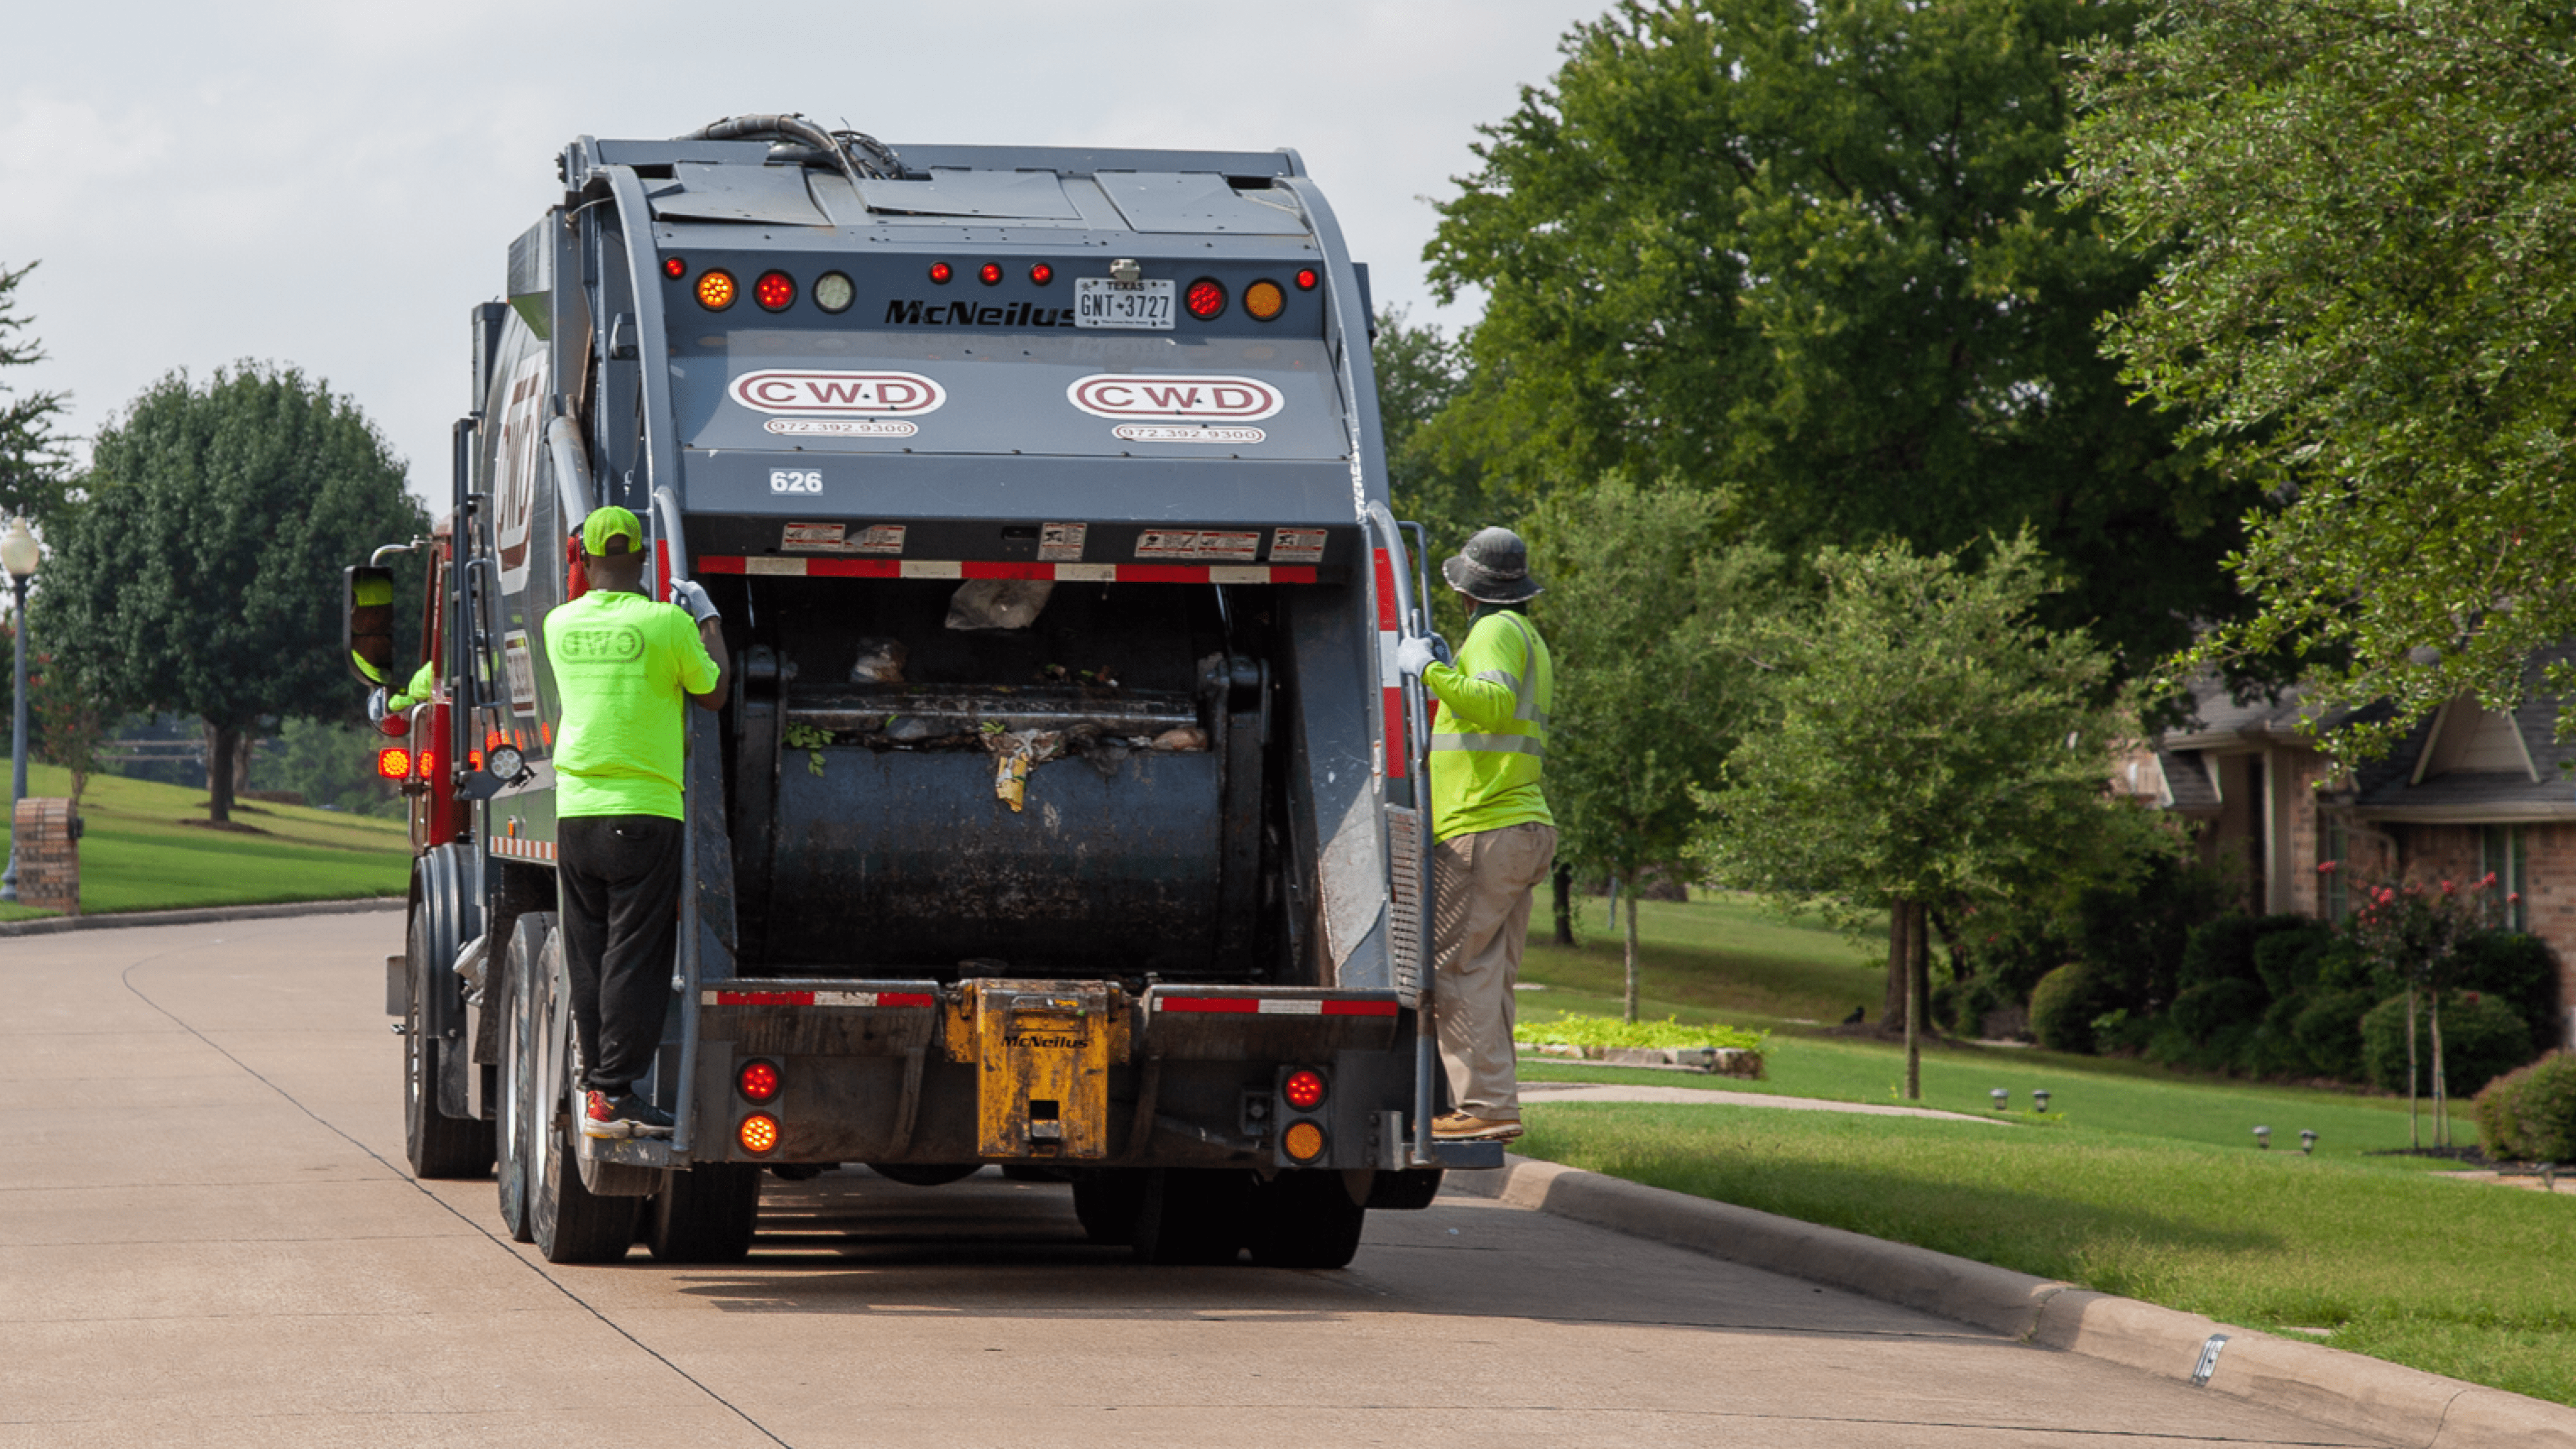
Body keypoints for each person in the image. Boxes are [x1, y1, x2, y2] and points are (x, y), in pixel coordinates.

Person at [544, 506, 729, 1138]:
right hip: (646, 812)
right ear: (645, 559)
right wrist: (706, 616)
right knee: (636, 959)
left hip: (576, 814)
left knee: (590, 956)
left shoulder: (557, 624)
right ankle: (615, 1094)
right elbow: (714, 691)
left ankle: (599, 1092)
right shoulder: (669, 623)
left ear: (586, 558)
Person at [1394, 526, 1557, 1144]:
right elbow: (1488, 715)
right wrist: (1448, 669)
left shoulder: (1493, 631)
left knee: (1456, 968)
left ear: (1466, 591)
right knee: (1490, 974)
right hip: (1522, 826)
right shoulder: (1528, 637)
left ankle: (1485, 1106)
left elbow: (1487, 705)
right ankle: (1496, 1104)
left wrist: (1432, 668)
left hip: (1482, 827)